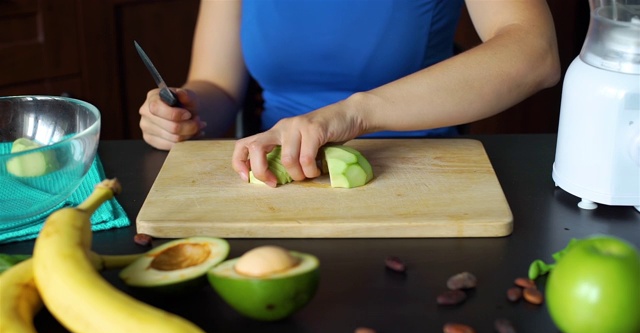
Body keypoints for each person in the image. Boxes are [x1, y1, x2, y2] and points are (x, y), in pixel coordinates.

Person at [139, 0, 560, 188]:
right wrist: (184, 110)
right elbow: (217, 84)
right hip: (277, 183)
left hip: (420, 176)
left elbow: (534, 52)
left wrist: (356, 112)